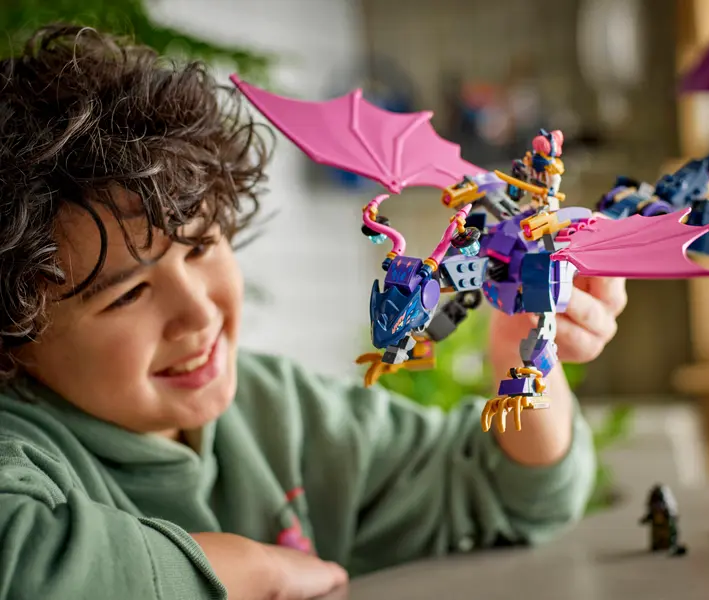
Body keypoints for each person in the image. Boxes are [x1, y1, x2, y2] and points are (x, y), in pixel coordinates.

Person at [0, 24, 628, 600]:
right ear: (17, 334)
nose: (198, 313)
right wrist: (252, 572)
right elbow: (24, 569)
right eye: (128, 294)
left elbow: (515, 497)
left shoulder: (286, 413)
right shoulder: (20, 449)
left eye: (200, 247)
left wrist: (522, 354)